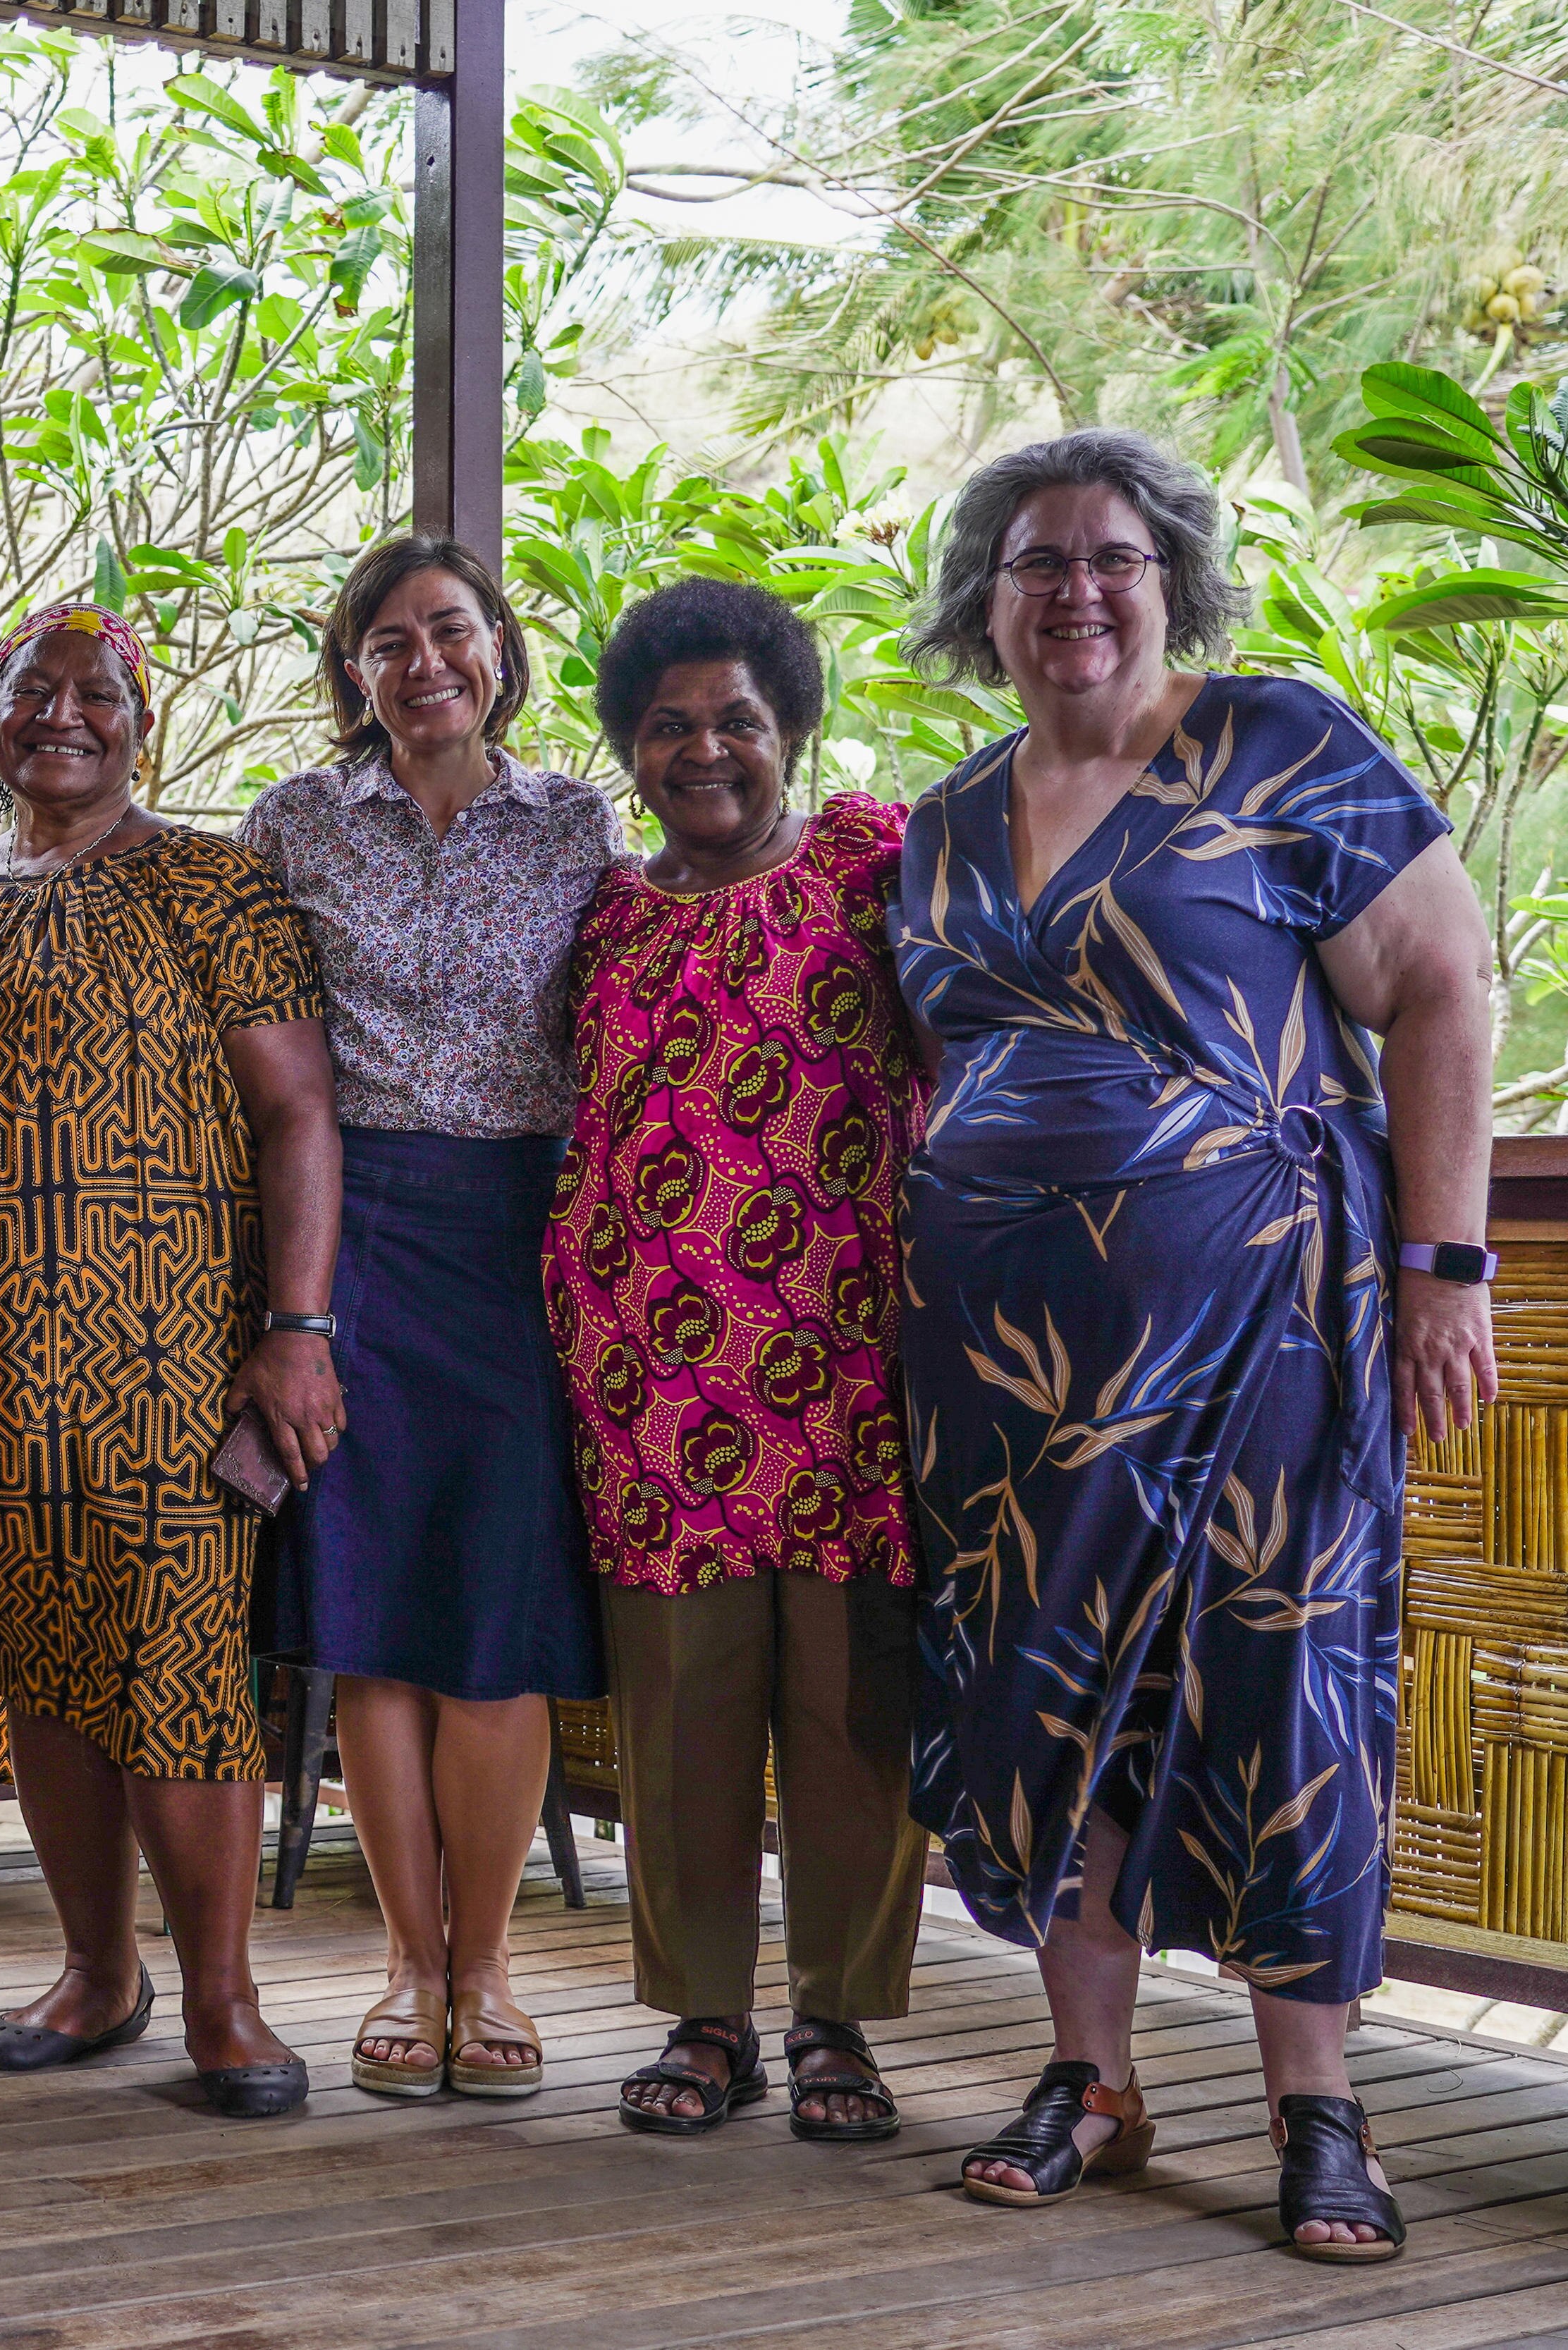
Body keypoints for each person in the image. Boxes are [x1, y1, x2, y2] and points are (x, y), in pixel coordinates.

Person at [899, 429, 1494, 2262]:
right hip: (1004, 1369)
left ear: (1172, 583)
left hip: (1264, 1340)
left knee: (1284, 1688)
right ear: (981, 601)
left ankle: (1321, 2105)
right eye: (1035, 561)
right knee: (1047, 1691)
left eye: (1113, 558)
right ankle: (1091, 2074)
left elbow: (1449, 981)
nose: (1076, 589)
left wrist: (1446, 1261)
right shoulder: (940, 821)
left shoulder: (1280, 746)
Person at [0, 603, 342, 2119]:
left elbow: (295, 1113)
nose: (63, 713)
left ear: (142, 720)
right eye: (29, 688)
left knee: (175, 1669)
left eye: (95, 692)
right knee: (41, 1662)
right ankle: (96, 1969)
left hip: (157, 1352)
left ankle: (225, 2004)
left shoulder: (212, 885)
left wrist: (296, 1328)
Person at [539, 580, 930, 2143]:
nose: (704, 750)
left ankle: (836, 2017)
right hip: (652, 1376)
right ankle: (705, 2015)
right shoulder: (608, 920)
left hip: (850, 1361)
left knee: (849, 1710)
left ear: (791, 730)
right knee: (682, 1711)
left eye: (736, 721)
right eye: (668, 727)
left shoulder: (873, 869)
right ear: (630, 751)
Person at [236, 536, 615, 2101]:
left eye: (448, 631)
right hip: (349, 1230)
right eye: (385, 640)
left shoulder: (578, 822)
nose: (422, 661)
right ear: (352, 670)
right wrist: (287, 1305)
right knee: (370, 1618)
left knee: (496, 1619)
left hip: (523, 1237)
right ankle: (404, 1961)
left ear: (498, 650)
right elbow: (253, 1055)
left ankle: (490, 1971)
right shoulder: (292, 822)